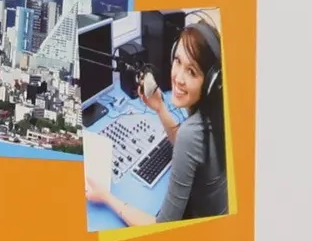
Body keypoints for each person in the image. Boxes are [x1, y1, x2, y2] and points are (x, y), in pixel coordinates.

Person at [86, 15, 230, 227]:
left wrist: (106, 197)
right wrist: (160, 107)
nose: (178, 78)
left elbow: (162, 226)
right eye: (178, 61)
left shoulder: (192, 132)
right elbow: (190, 145)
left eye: (191, 71)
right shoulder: (216, 112)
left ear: (210, 82)